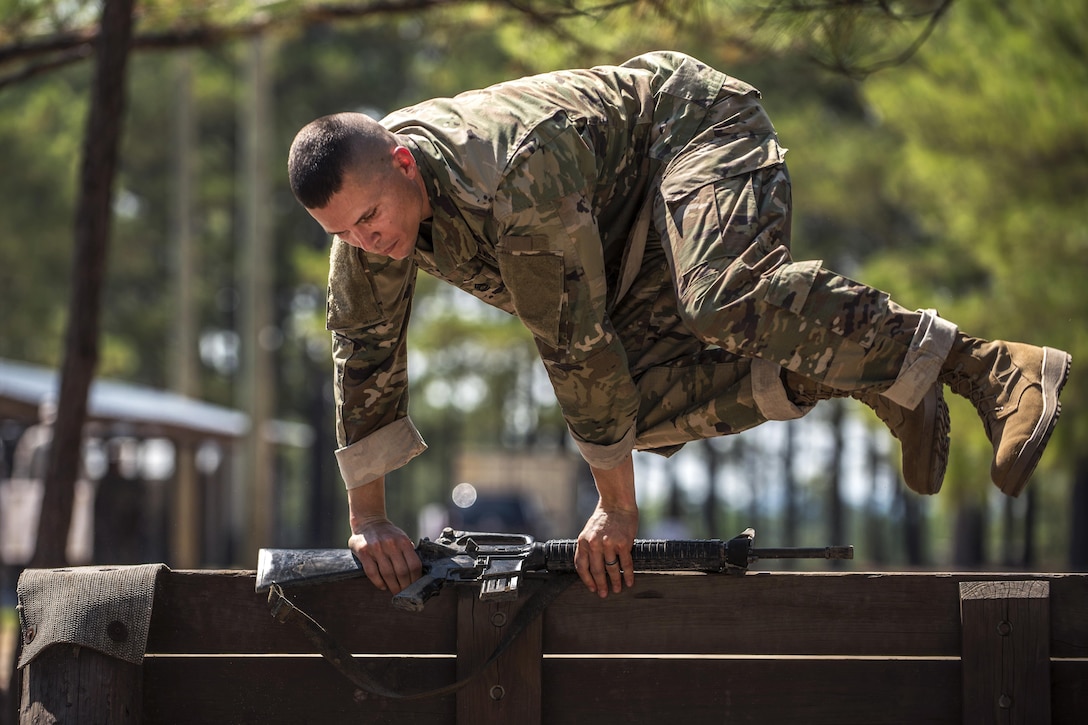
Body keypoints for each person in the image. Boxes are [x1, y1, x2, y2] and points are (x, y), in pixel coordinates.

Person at [288, 51, 1070, 599]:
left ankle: (990, 366)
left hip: (689, 128)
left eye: (369, 218)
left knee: (723, 295)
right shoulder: (361, 241)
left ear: (402, 163)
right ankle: (877, 376)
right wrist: (371, 524)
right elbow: (363, 361)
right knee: (644, 413)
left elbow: (573, 341)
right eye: (343, 232)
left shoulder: (511, 175)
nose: (367, 239)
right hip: (623, 233)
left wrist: (616, 511)